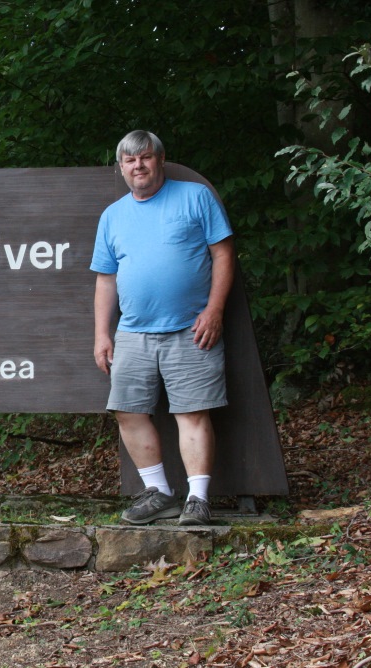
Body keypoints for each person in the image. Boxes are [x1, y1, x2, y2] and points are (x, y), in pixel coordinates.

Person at [90, 130, 235, 526]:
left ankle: (199, 499)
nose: (139, 166)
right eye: (130, 160)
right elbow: (106, 278)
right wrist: (102, 333)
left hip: (191, 328)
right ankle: (159, 493)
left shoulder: (194, 197)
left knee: (192, 412)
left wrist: (214, 309)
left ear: (160, 159)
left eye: (146, 157)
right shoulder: (113, 215)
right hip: (133, 333)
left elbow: (222, 254)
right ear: (121, 168)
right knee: (127, 411)